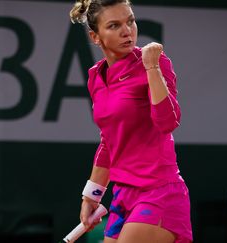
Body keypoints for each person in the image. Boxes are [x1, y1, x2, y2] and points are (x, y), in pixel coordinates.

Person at [69, 0, 192, 242]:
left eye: (130, 21)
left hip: (159, 192)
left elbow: (168, 122)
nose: (127, 31)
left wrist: (152, 68)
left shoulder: (155, 64)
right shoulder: (96, 76)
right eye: (114, 25)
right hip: (123, 195)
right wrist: (91, 197)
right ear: (96, 37)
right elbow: (108, 142)